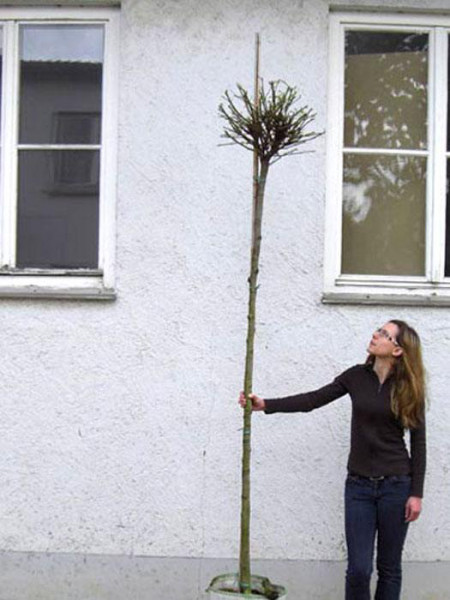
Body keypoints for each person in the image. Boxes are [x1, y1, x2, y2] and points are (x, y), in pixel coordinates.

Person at [239, 320, 426, 600]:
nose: (375, 335)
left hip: (396, 486)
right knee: (359, 569)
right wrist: (267, 405)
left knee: (389, 568)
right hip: (359, 487)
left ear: (398, 350)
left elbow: (419, 443)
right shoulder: (355, 377)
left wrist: (416, 493)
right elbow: (313, 400)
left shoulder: (409, 388)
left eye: (384, 334)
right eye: (377, 329)